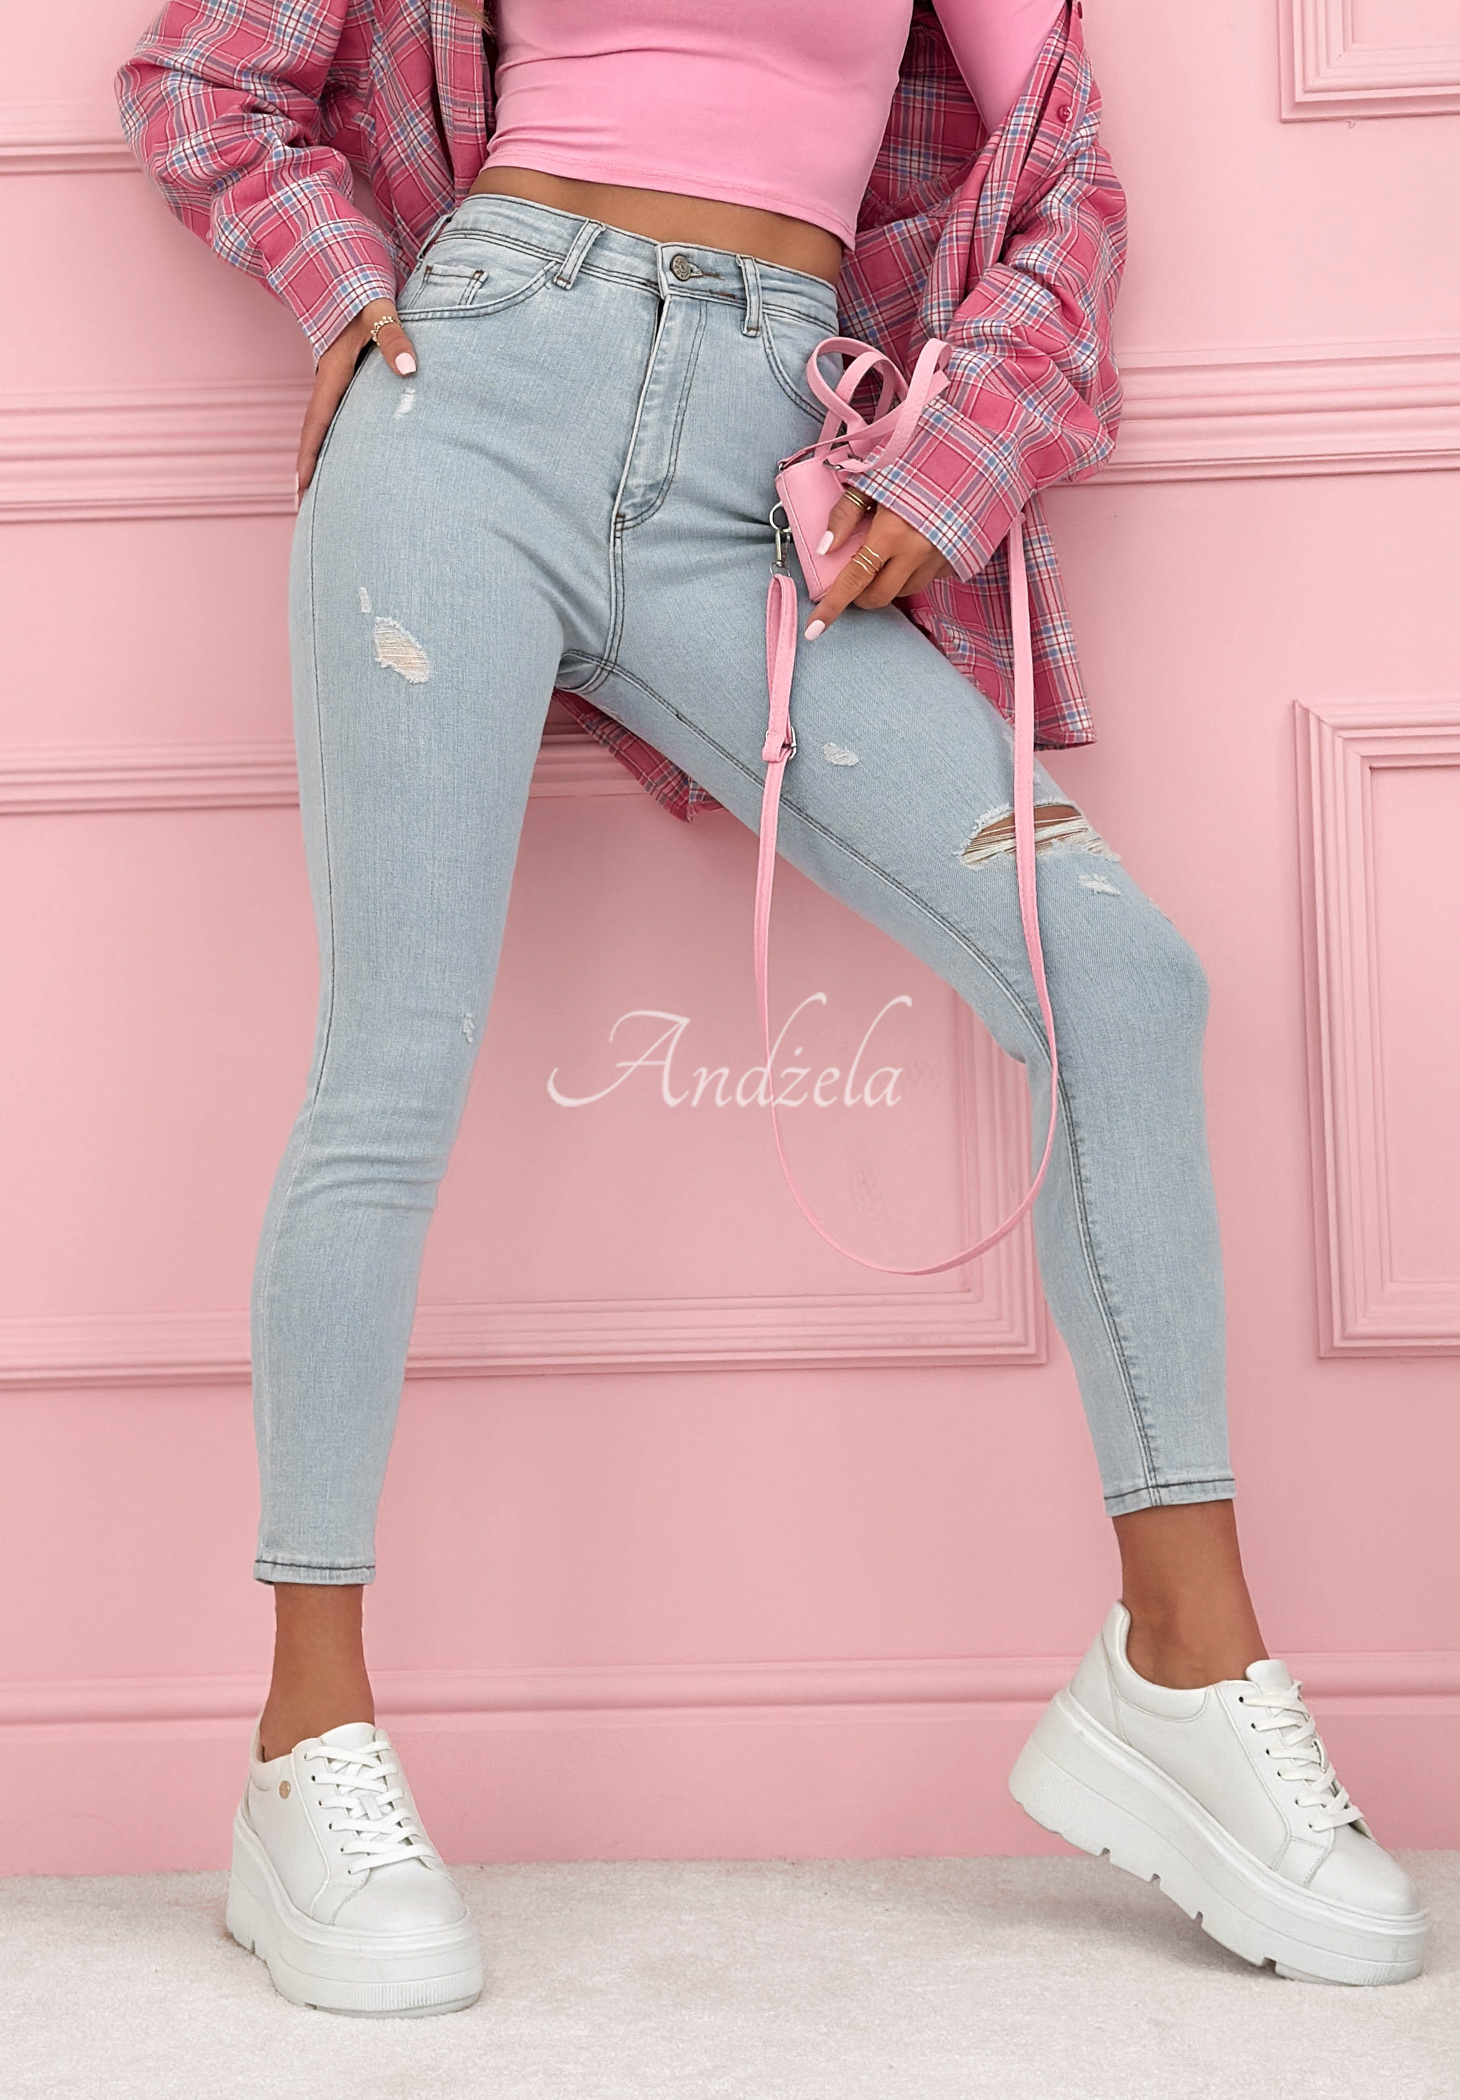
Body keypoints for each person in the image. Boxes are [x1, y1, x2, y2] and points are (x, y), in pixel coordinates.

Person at [116, 0, 1427, 2017]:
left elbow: (1068, 180)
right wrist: (348, 283)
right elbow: (203, 74)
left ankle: (1183, 1663)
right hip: (472, 407)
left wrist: (955, 460)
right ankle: (306, 1754)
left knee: (1119, 976)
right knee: (389, 1068)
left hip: (762, 460)